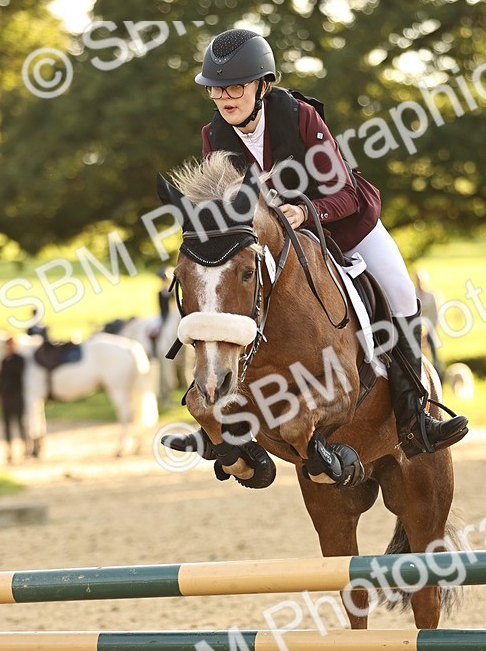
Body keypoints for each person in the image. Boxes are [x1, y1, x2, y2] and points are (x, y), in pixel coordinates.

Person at [194, 28, 468, 457]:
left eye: (235, 86)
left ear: (262, 85)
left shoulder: (299, 116)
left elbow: (344, 193)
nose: (224, 97)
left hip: (345, 226)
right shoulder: (214, 137)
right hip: (279, 247)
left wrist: (305, 211)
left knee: (399, 290)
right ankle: (235, 427)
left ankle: (416, 416)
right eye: (215, 89)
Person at [0, 336, 27, 464]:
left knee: (20, 423)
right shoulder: (4, 361)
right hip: (6, 397)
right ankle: (9, 451)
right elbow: (1, 379)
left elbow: (15, 377)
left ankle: (25, 448)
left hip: (16, 396)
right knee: (7, 425)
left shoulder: (19, 360)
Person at [413, 268, 444, 377]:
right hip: (416, 328)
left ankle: (438, 374)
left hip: (430, 327)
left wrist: (430, 328)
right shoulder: (414, 294)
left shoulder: (431, 295)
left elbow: (436, 314)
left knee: (434, 350)